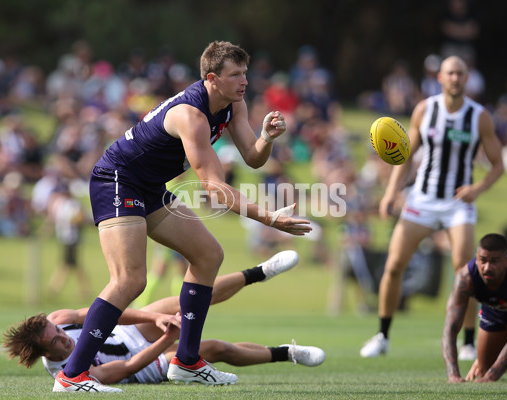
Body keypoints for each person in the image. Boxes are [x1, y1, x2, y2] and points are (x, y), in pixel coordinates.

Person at [52, 41, 312, 392]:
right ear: (212, 78)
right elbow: (216, 188)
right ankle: (72, 375)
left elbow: (252, 157)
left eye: (245, 73)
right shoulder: (191, 115)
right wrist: (270, 219)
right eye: (235, 75)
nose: (244, 81)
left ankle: (187, 361)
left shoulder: (234, 104)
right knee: (130, 279)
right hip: (117, 178)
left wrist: (266, 137)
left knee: (208, 255)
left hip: (149, 185)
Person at [3, 251, 325, 388]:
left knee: (192, 298)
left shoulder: (59, 318)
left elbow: (106, 310)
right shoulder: (65, 373)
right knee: (213, 348)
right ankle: (287, 353)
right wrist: (166, 339)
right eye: (57, 341)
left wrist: (154, 316)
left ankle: (258, 272)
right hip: (145, 364)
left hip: (132, 333)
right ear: (46, 353)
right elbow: (128, 368)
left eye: (58, 330)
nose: (64, 336)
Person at [359, 55, 504, 359]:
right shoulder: (425, 110)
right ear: (440, 77)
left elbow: (498, 165)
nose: (455, 78)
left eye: (460, 73)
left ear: (467, 78)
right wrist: (390, 193)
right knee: (394, 265)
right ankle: (382, 336)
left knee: (466, 273)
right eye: (450, 73)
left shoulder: (479, 117)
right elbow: (404, 156)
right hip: (422, 199)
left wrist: (478, 188)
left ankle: (466, 342)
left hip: (457, 205)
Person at [442, 233, 507, 382]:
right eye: (483, 261)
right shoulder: (465, 279)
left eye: (494, 261)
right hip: (496, 307)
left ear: (506, 262)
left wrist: (491, 377)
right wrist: (453, 375)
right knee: (483, 370)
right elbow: (450, 329)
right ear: (477, 259)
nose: (487, 268)